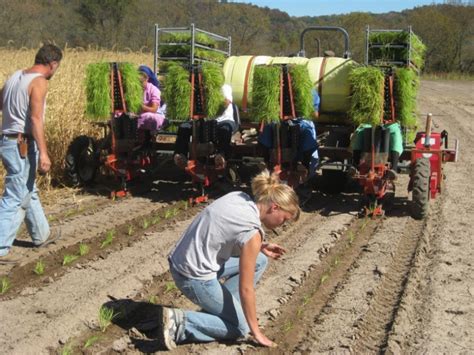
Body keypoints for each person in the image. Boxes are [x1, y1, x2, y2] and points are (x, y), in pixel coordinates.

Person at [161, 169, 300, 349]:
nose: (282, 225)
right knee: (240, 326)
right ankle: (180, 323)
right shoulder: (252, 233)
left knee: (260, 260)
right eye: (284, 219)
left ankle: (220, 312)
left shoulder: (240, 197)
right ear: (275, 207)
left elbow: (225, 235)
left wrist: (260, 247)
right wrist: (256, 332)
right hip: (192, 276)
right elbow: (246, 289)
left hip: (183, 259)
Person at [0, 44, 63, 263]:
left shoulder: (14, 76)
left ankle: (41, 235)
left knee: (28, 189)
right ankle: (0, 246)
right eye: (57, 67)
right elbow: (36, 119)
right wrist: (44, 153)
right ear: (52, 64)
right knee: (14, 196)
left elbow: (1, 104)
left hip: (8, 141)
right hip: (22, 144)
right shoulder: (39, 82)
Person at [174, 83, 236, 170]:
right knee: (184, 127)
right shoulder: (199, 86)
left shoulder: (225, 87)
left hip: (223, 120)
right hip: (202, 120)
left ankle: (221, 156)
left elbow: (226, 102)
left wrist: (210, 104)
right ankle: (181, 155)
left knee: (225, 130)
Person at [137, 65, 166, 132]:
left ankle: (148, 137)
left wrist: (142, 107)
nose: (139, 84)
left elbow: (154, 109)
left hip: (155, 115)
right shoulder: (136, 89)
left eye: (141, 82)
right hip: (140, 114)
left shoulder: (153, 90)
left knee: (147, 116)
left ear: (147, 79)